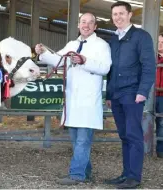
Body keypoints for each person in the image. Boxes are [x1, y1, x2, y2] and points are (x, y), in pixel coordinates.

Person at [35, 13, 112, 185]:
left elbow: (105, 68)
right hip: (72, 100)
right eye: (83, 22)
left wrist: (85, 61)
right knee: (76, 140)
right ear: (78, 25)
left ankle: (76, 175)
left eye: (90, 23)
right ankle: (86, 173)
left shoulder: (102, 45)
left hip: (88, 100)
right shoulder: (72, 44)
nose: (86, 25)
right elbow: (58, 59)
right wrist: (43, 53)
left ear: (95, 26)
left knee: (83, 140)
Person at [104, 1, 156, 189]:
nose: (118, 17)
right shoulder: (114, 39)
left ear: (130, 15)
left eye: (121, 13)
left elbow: (149, 66)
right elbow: (110, 69)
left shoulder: (141, 36)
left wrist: (143, 91)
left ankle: (134, 177)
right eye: (115, 14)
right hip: (116, 94)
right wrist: (109, 94)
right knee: (124, 135)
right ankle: (125, 174)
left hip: (132, 93)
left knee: (133, 135)